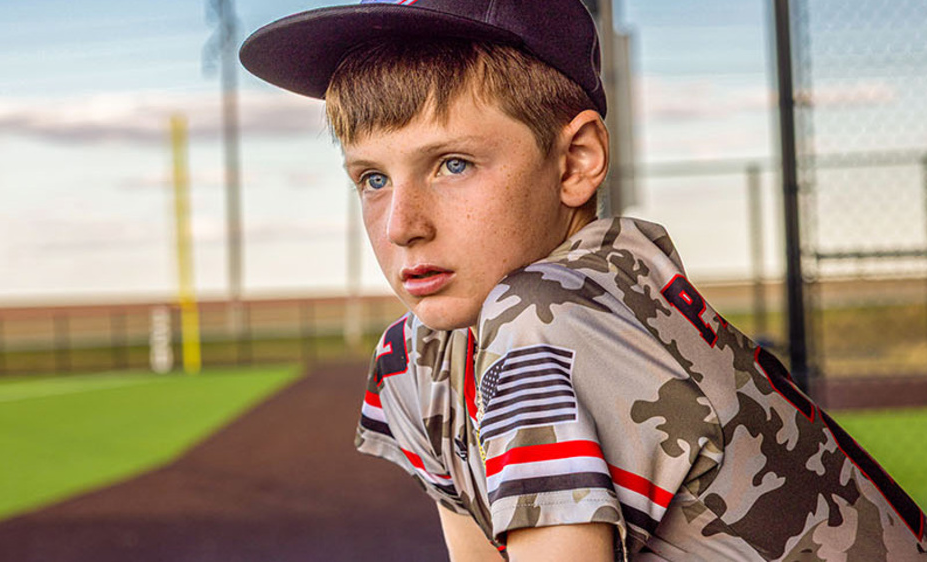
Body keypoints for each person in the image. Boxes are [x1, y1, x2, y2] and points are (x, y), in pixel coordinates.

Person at [240, 1, 927, 560]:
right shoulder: (420, 350)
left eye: (453, 165)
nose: (400, 225)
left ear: (577, 161)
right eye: (373, 178)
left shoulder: (546, 314)